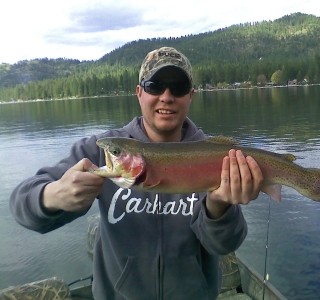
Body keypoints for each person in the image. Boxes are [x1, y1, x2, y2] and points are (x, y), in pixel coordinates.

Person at [9, 47, 264, 300]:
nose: (166, 96)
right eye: (155, 85)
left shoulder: (215, 157)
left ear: (191, 96)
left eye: (178, 87)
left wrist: (219, 206)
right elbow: (22, 206)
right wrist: (52, 196)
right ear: (139, 93)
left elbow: (224, 245)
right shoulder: (104, 150)